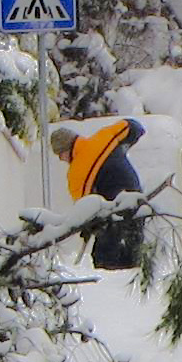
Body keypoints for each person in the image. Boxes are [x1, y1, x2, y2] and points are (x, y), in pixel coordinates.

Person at [61, 115, 148, 270]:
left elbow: (85, 209)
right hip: (136, 198)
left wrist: (87, 228)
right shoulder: (104, 137)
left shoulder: (77, 172)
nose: (62, 160)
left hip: (115, 210)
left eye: (60, 155)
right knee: (134, 251)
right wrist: (122, 149)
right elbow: (134, 127)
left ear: (66, 150)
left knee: (104, 259)